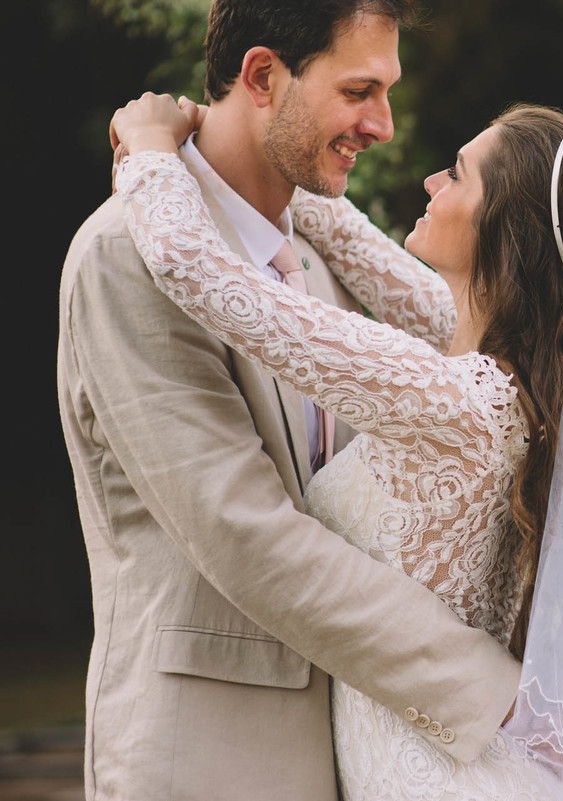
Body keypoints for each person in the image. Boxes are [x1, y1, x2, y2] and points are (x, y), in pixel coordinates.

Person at [109, 90, 563, 798]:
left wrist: (150, 147)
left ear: (502, 232)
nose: (432, 182)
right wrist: (235, 133)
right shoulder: (516, 368)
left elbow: (198, 272)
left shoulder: (448, 398)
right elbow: (351, 239)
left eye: (457, 174)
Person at [57, 3, 521, 800]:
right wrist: (486, 685)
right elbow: (244, 531)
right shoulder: (126, 255)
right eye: (358, 92)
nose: (382, 126)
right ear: (264, 75)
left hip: (358, 752)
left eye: (386, 92)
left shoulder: (318, 251)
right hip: (207, 755)